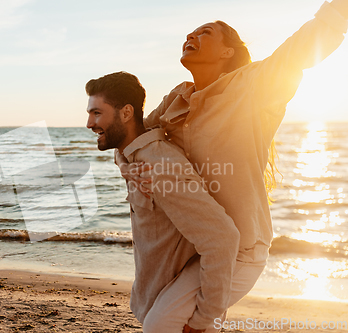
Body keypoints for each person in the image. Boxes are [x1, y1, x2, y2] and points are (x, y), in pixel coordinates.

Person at [116, 1, 348, 332]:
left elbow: (299, 50)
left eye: (205, 32)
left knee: (160, 325)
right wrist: (130, 169)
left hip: (241, 249)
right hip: (194, 247)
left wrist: (337, 9)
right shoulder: (177, 99)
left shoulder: (253, 88)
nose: (191, 35)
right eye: (191, 32)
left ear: (228, 52)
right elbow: (135, 140)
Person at [86, 71, 240, 333]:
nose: (89, 123)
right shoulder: (132, 156)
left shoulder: (159, 166)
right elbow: (124, 150)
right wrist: (124, 165)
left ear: (125, 113)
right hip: (156, 296)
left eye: (97, 113)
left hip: (181, 312)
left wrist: (205, 319)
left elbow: (223, 239)